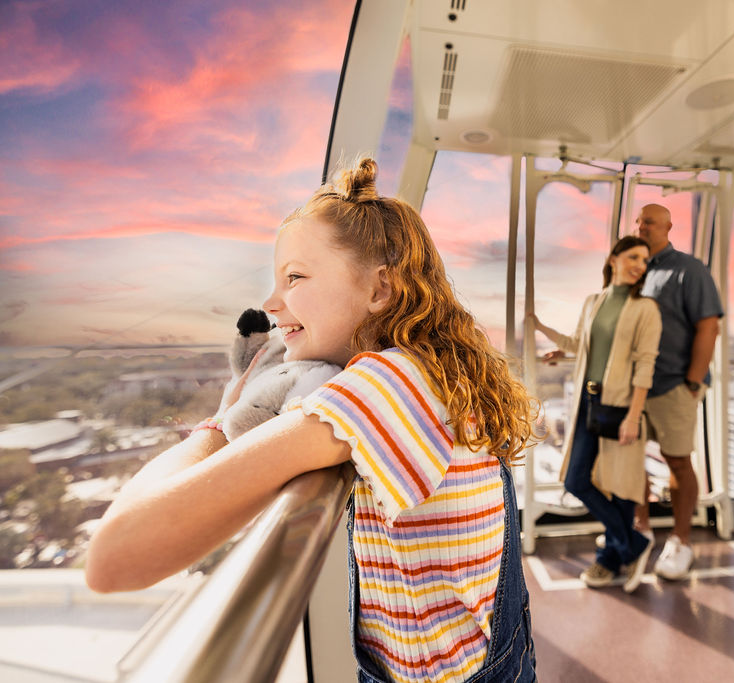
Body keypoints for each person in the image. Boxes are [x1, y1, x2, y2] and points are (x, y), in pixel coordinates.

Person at [85, 159, 539, 681]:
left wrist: (225, 414)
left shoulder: (387, 384)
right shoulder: (427, 368)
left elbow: (116, 556)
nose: (270, 303)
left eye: (294, 278)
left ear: (380, 290)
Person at [530, 235, 661, 593]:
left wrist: (634, 416)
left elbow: (645, 366)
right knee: (575, 480)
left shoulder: (646, 308)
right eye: (633, 256)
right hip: (588, 403)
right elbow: (580, 343)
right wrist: (543, 330)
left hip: (621, 406)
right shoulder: (594, 302)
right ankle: (633, 542)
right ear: (614, 259)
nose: (639, 264)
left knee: (619, 486)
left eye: (645, 260)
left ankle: (615, 556)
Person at [632, 203, 723, 580]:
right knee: (629, 462)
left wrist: (692, 381)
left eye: (649, 222)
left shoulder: (689, 269)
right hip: (636, 389)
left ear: (670, 226)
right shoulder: (636, 273)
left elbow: (708, 326)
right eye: (638, 222)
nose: (642, 227)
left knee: (678, 463)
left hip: (674, 387)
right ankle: (640, 531)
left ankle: (681, 541)